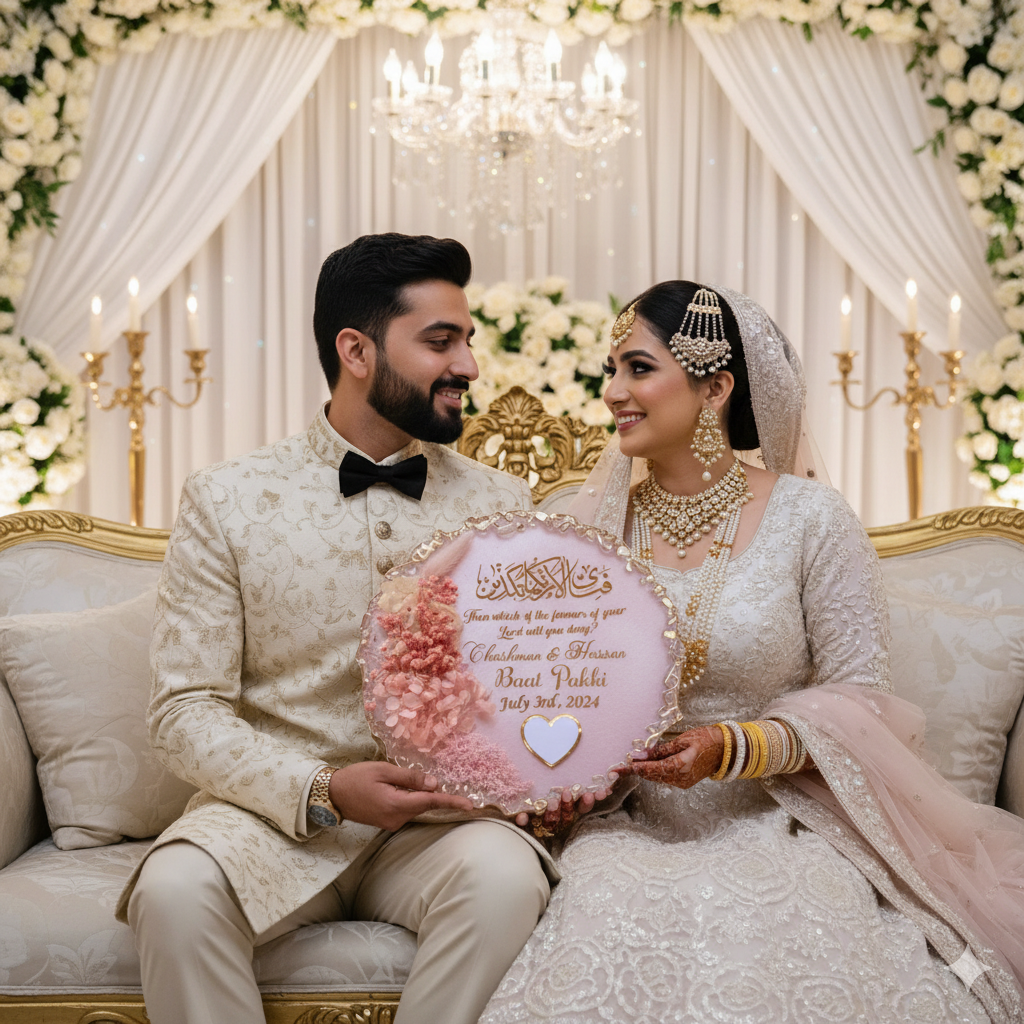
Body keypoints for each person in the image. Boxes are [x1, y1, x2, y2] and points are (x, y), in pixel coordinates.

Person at [478, 282, 1024, 1024]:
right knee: (607, 920)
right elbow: (551, 691)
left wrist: (733, 748)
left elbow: (863, 700)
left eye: (638, 368)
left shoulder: (812, 519)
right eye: (612, 371)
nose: (612, 393)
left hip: (784, 817)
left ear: (715, 387)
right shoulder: (591, 528)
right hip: (631, 824)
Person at [115, 233, 559, 1024]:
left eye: (468, 340)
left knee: (506, 879)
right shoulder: (227, 499)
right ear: (355, 349)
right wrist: (321, 789)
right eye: (440, 341)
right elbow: (182, 713)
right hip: (269, 821)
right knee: (175, 889)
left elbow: (525, 684)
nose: (469, 367)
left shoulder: (503, 503)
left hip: (435, 828)